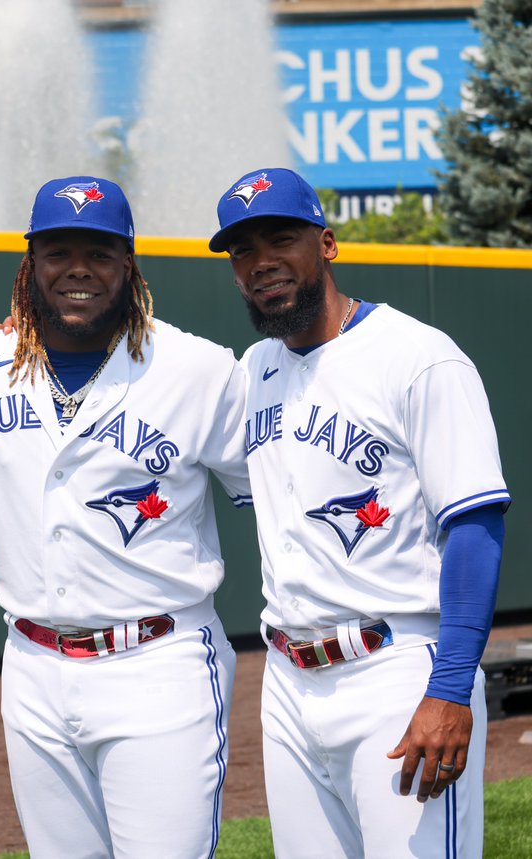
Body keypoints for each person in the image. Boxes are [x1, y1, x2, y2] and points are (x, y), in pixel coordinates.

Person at [0, 177, 252, 857]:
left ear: (129, 264)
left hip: (158, 663)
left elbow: (284, 489)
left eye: (100, 252)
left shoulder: (198, 368)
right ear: (30, 265)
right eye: (57, 251)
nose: (78, 268)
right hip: (32, 666)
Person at [209, 167, 509, 857]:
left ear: (328, 244)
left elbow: (474, 525)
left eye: (280, 238)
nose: (261, 263)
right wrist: (37, 333)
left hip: (398, 669)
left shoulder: (418, 357)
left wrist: (452, 687)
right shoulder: (252, 372)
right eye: (242, 251)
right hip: (287, 681)